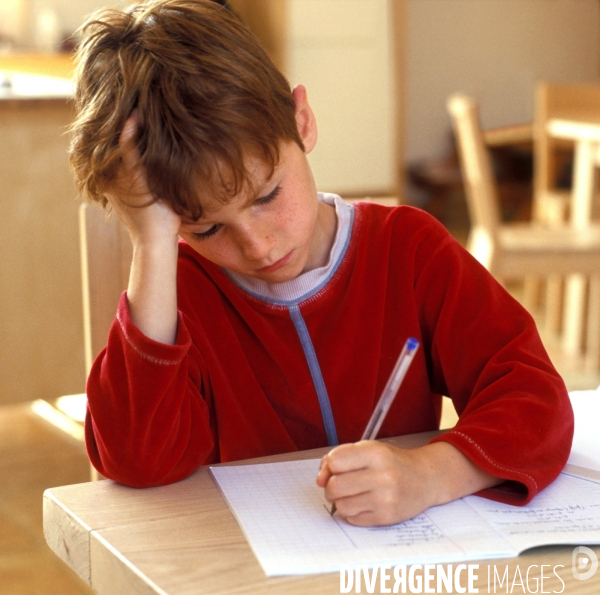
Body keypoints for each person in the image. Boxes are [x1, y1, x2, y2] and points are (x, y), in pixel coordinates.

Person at [71, 0, 573, 527]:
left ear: (302, 121)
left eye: (266, 195)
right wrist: (154, 247)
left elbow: (535, 397)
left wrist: (433, 473)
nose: (259, 247)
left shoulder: (408, 250)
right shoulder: (182, 298)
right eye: (207, 228)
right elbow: (136, 460)